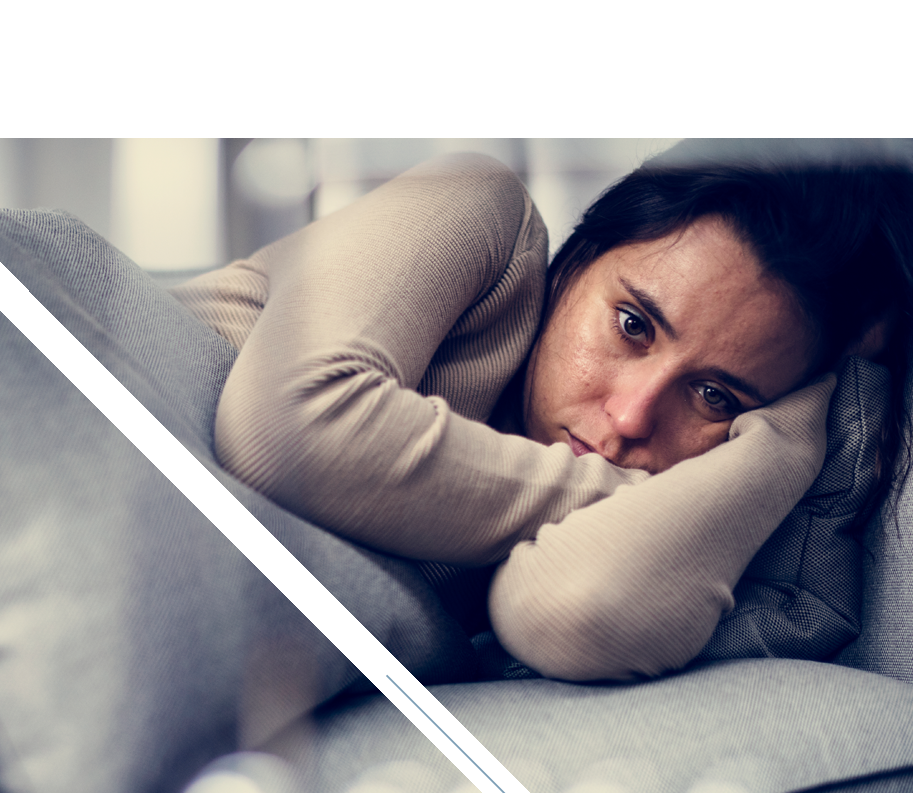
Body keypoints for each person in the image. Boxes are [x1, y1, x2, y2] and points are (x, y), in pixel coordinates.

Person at [171, 146, 913, 682]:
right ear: (578, 258)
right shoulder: (471, 206)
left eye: (717, 396)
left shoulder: (589, 537)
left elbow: (574, 609)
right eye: (632, 325)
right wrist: (637, 496)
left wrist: (792, 436)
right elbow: (287, 431)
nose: (628, 419)